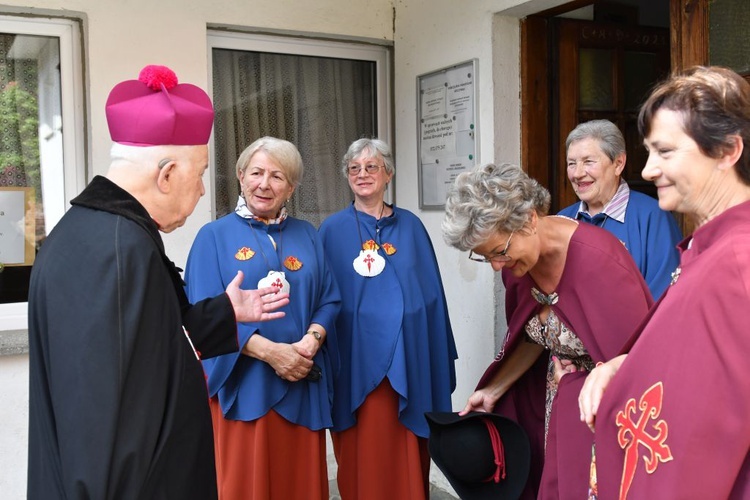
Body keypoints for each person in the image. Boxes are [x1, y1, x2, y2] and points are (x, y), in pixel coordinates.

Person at [27, 65, 290, 500]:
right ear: (166, 174)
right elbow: (101, 429)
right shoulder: (115, 255)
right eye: (201, 172)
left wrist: (225, 312)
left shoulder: (103, 234)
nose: (204, 190)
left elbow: (152, 347)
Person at [579, 66, 750, 499]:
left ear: (728, 150)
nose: (650, 169)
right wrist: (622, 366)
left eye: (666, 152)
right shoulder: (708, 246)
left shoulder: (739, 262)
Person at [442, 163, 653, 499]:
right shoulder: (517, 266)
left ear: (528, 220)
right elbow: (532, 336)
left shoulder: (601, 263)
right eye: (485, 258)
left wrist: (580, 384)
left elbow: (644, 364)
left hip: (597, 412)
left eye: (499, 252)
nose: (497, 265)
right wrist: (496, 388)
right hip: (556, 405)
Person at [184, 136, 341, 500]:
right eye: (256, 172)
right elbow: (201, 313)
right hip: (245, 386)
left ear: (292, 187)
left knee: (300, 485)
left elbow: (330, 299)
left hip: (302, 381)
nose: (264, 184)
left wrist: (310, 341)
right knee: (246, 487)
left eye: (277, 176)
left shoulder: (307, 234)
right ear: (240, 176)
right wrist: (272, 353)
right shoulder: (213, 237)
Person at [318, 138, 458, 499]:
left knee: (406, 451)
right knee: (364, 454)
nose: (362, 174)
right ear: (347, 177)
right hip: (355, 360)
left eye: (371, 167)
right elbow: (324, 298)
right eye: (354, 168)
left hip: (409, 358)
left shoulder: (411, 227)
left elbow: (430, 298)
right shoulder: (331, 230)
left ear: (388, 174)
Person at [558, 119, 682, 298]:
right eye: (571, 163)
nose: (577, 173)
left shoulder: (653, 216)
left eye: (588, 162)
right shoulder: (562, 221)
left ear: (618, 164)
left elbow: (665, 296)